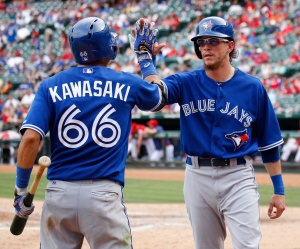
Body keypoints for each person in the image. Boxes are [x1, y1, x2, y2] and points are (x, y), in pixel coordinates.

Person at [129, 16, 286, 248]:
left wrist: (279, 190)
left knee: (248, 245)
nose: (206, 47)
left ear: (230, 46)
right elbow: (154, 98)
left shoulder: (252, 87)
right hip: (197, 176)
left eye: (213, 41)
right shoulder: (185, 82)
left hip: (238, 176)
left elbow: (269, 144)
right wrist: (146, 61)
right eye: (201, 42)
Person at [12, 17, 166, 249]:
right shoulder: (126, 82)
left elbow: (31, 138)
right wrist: (145, 59)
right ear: (106, 46)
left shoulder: (50, 85)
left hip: (59, 193)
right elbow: (157, 97)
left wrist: (21, 189)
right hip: (103, 194)